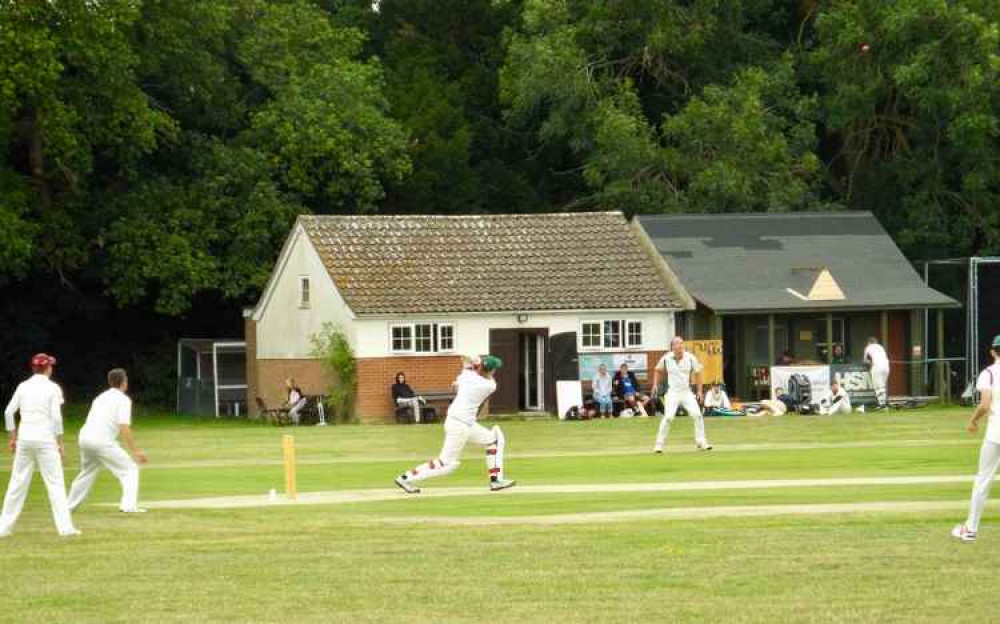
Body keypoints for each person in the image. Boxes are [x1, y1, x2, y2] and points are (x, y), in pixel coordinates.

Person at [394, 356, 514, 494]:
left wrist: (469, 368)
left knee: (493, 439)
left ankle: (495, 480)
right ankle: (405, 478)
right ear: (491, 370)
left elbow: (466, 366)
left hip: (463, 422)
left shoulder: (466, 375)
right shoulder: (490, 385)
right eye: (494, 369)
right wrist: (473, 366)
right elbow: (475, 373)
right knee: (446, 463)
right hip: (460, 426)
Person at [0, 353, 79, 537]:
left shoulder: (23, 386)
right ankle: (65, 528)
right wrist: (60, 442)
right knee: (55, 483)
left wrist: (13, 437)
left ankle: (3, 528)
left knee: (17, 483)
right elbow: (56, 417)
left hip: (25, 439)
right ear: (48, 368)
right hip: (45, 440)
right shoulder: (53, 388)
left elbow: (8, 413)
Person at [67, 368, 150, 514]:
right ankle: (128, 506)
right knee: (130, 469)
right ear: (124, 383)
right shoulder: (123, 400)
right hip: (102, 441)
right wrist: (135, 451)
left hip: (85, 438)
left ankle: (68, 507)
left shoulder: (100, 397)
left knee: (87, 472)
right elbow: (124, 426)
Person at [952, 335, 1000, 542]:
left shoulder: (988, 373)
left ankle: (970, 529)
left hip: (995, 433)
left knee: (982, 481)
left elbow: (985, 404)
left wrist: (973, 421)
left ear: (992, 352)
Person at [651, 337, 712, 452]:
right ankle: (659, 444)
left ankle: (701, 442)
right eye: (677, 344)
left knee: (697, 415)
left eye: (681, 344)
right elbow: (658, 370)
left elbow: (698, 373)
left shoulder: (690, 358)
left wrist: (699, 391)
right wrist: (655, 385)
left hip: (686, 392)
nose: (680, 346)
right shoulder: (666, 358)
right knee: (668, 417)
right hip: (672, 393)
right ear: (672, 347)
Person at [864, 336, 890, 408]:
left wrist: (870, 364)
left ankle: (882, 405)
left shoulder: (868, 347)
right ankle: (884, 403)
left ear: (869, 342)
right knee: (883, 386)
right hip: (886, 367)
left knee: (878, 387)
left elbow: (865, 361)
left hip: (877, 367)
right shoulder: (881, 347)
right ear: (876, 342)